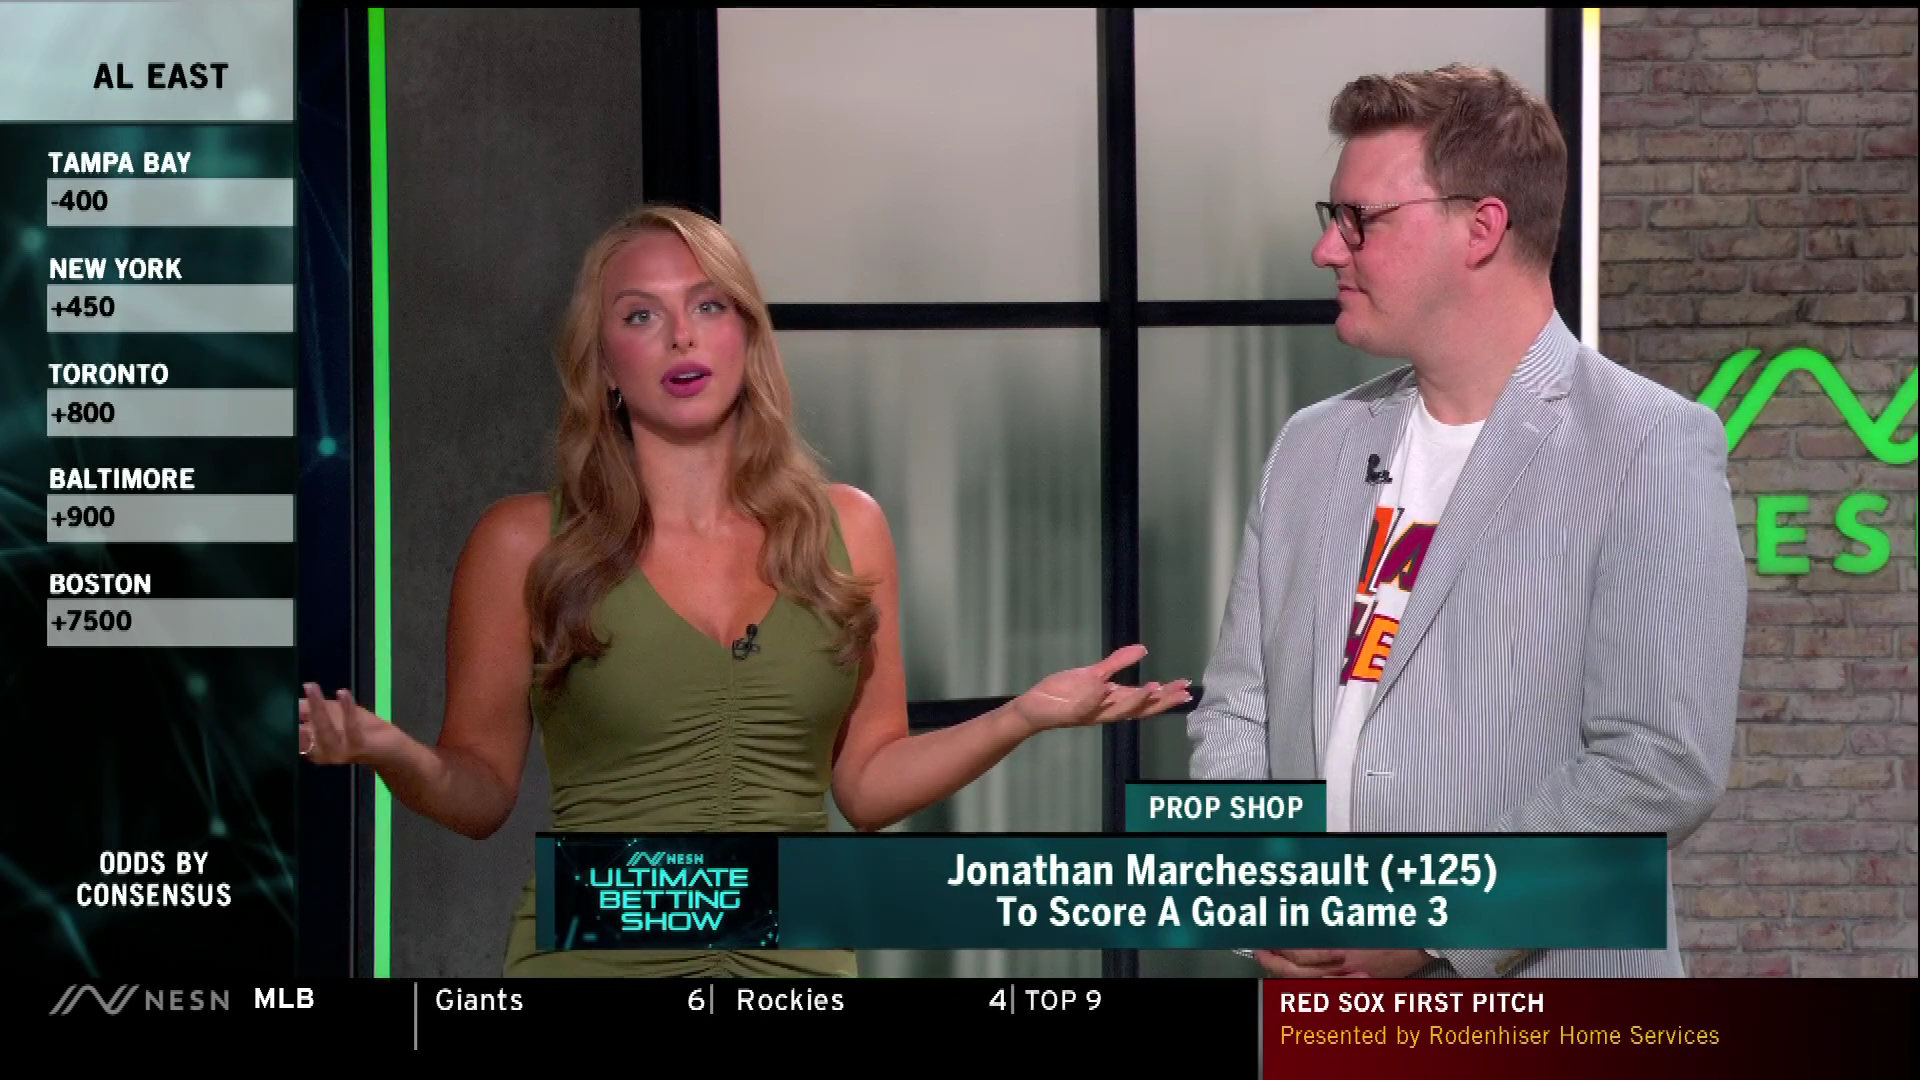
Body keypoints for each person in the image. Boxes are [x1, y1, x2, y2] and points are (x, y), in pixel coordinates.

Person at [297, 204, 1191, 977]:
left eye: (708, 306)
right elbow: (480, 792)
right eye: (641, 316)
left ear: (747, 336)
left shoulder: (847, 529)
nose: (681, 337)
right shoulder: (525, 541)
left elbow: (869, 784)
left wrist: (1021, 717)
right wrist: (392, 753)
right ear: (602, 363)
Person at [1188, 64, 1744, 978]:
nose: (1327, 250)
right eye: (1331, 217)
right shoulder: (1311, 446)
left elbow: (1659, 764)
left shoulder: (1648, 443)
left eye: (1359, 219)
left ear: (1481, 227)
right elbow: (1239, 709)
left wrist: (1429, 926)